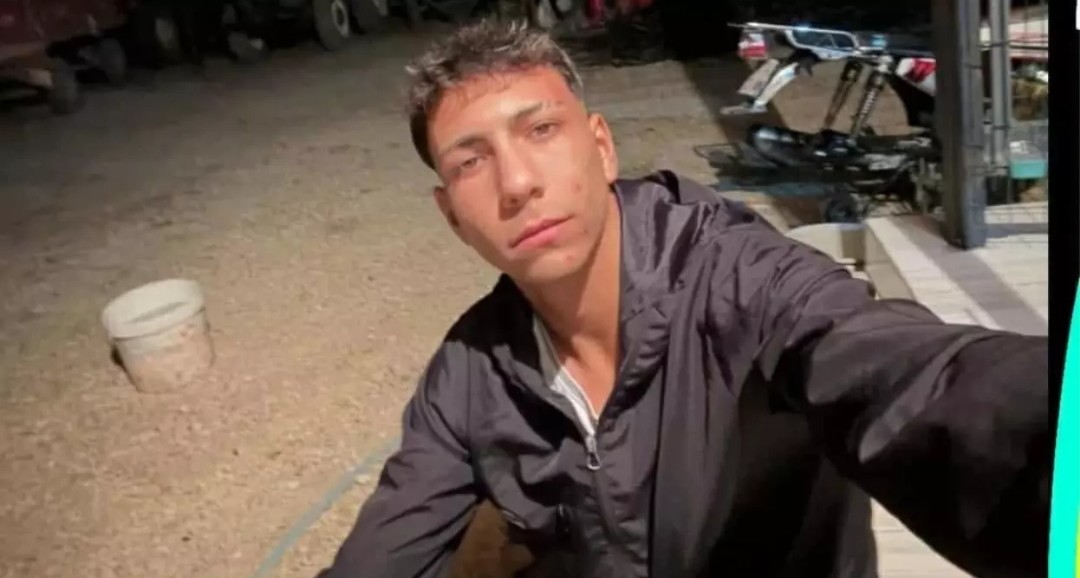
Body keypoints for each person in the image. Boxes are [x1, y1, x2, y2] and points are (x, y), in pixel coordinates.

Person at [317, 20, 1049, 578]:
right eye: (472, 162)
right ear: (451, 214)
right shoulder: (469, 372)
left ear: (602, 147)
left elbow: (913, 378)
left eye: (540, 130)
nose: (517, 183)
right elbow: (386, 547)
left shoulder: (738, 279)